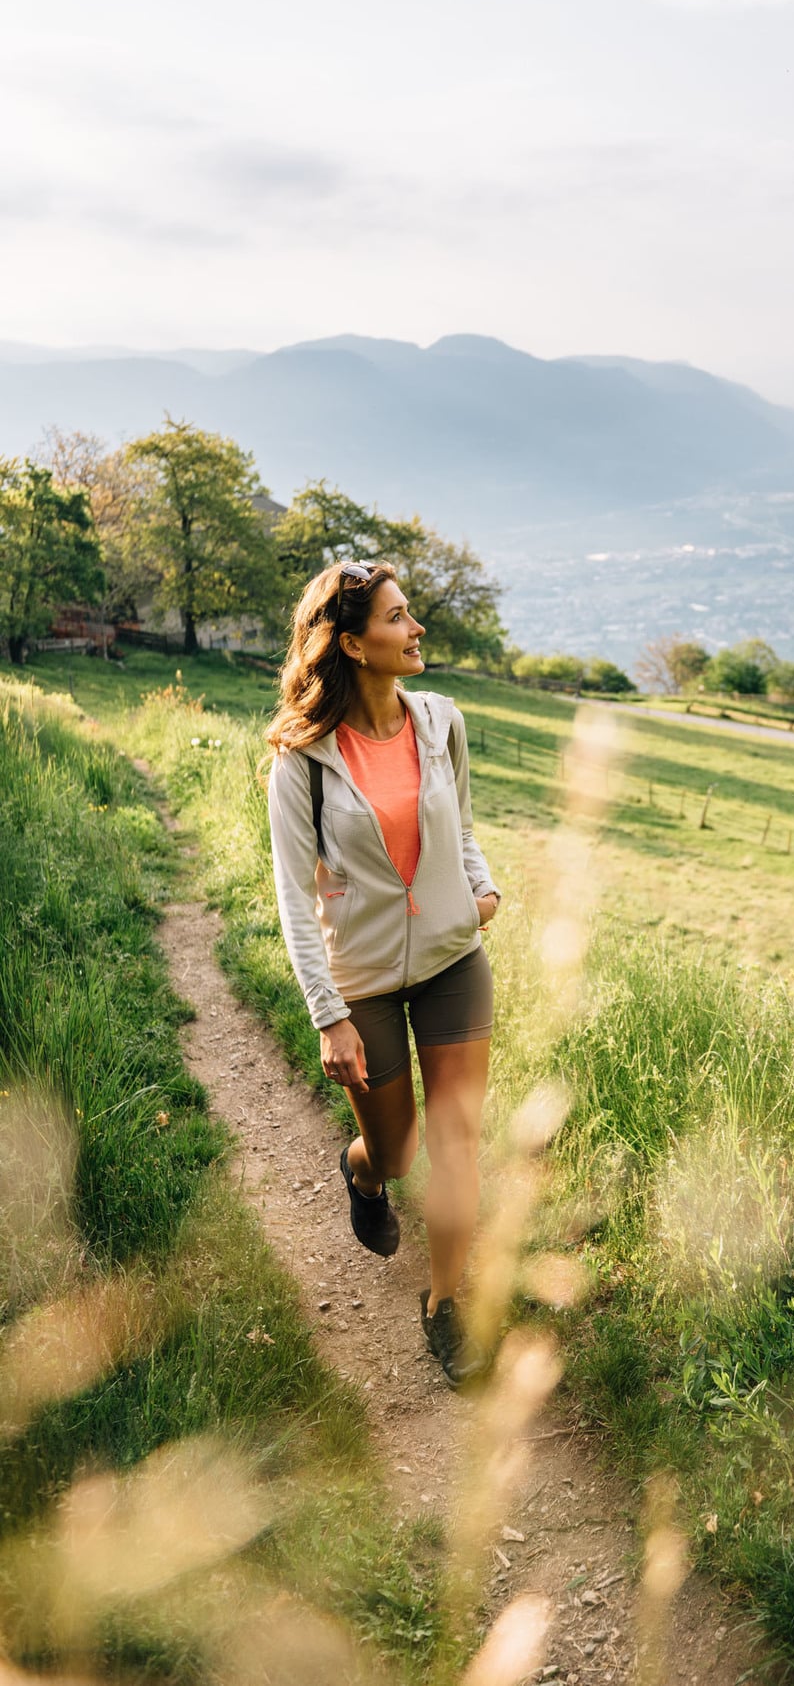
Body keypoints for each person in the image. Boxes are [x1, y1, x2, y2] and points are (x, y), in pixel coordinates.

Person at [265, 560, 500, 1389]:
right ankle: (361, 1170)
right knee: (399, 1151)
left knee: (456, 1143)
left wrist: (479, 885)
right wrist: (326, 1013)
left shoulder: (442, 721)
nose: (417, 629)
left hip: (451, 963)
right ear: (355, 645)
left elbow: (460, 824)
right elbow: (295, 900)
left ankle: (444, 1304)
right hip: (359, 978)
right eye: (399, 619)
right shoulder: (302, 761)